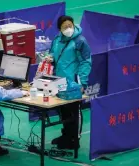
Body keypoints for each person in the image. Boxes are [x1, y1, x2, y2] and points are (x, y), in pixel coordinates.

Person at [46, 15, 92, 149]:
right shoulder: (57, 39)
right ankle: (66, 135)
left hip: (73, 83)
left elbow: (86, 62)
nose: (68, 28)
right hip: (58, 82)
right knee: (63, 111)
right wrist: (50, 58)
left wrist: (82, 82)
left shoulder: (80, 41)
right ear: (59, 28)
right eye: (65, 26)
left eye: (70, 25)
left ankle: (74, 139)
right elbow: (53, 55)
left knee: (74, 111)